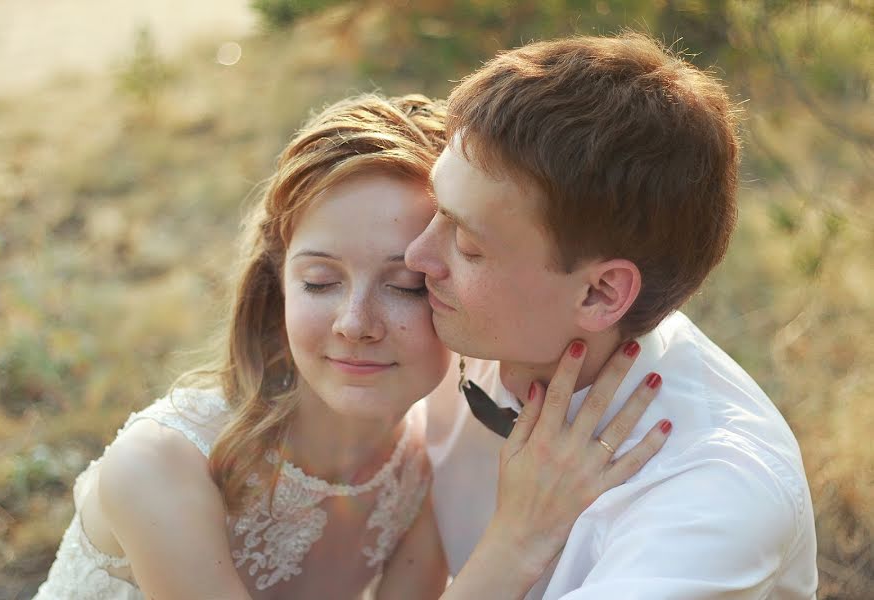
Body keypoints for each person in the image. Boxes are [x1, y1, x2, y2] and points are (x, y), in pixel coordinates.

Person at [34, 93, 670, 599]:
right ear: (277, 284)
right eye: (319, 281)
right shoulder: (162, 465)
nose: (355, 323)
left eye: (405, 287)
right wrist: (515, 541)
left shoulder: (421, 470)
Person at [408, 33, 818, 598]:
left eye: (469, 246)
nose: (417, 257)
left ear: (601, 295)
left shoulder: (716, 494)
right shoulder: (456, 322)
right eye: (437, 208)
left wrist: (517, 544)